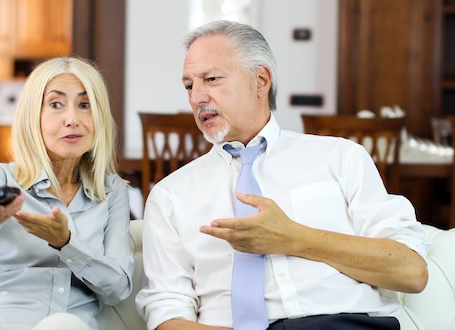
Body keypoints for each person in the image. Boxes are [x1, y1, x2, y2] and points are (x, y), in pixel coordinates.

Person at [135, 20, 429, 330]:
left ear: (260, 80)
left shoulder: (340, 157)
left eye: (211, 79)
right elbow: (166, 312)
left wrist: (293, 238)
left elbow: (410, 272)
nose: (196, 97)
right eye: (189, 85)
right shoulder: (170, 195)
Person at [0, 56, 134, 330]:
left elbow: (118, 289)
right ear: (32, 115)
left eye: (85, 105)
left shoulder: (112, 192)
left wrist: (67, 244)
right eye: (56, 104)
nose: (72, 119)